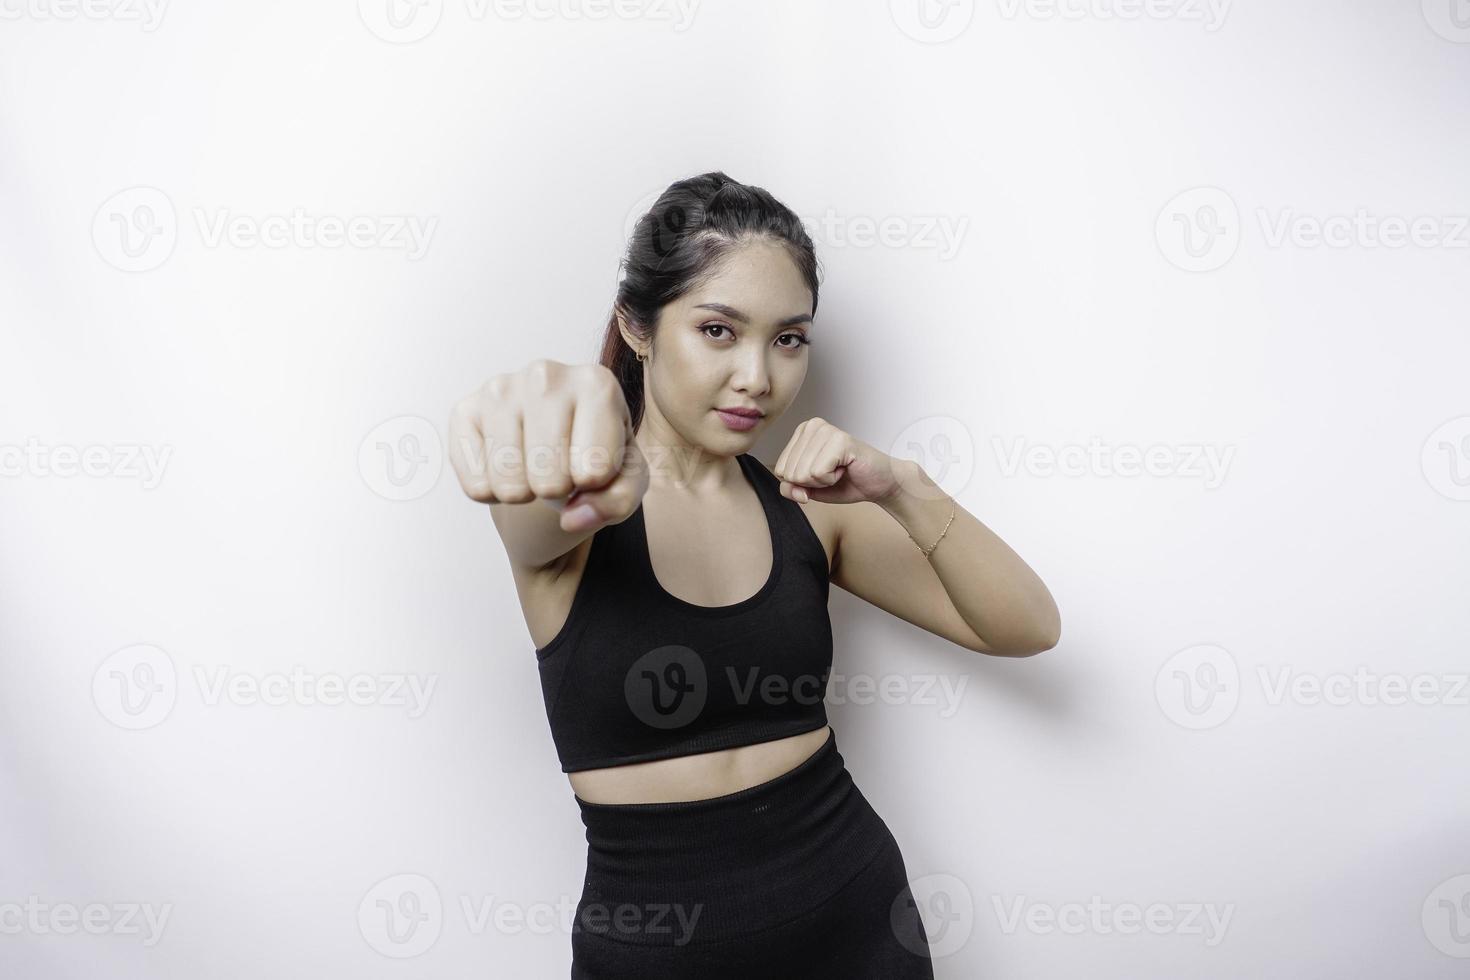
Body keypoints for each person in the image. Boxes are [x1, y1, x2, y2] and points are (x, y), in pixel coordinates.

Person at [449, 171, 1061, 977]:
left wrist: (903, 487)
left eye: (788, 338)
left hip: (856, 920)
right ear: (638, 327)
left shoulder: (813, 510)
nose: (758, 378)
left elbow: (1025, 627)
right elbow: (533, 503)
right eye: (717, 330)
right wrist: (560, 426)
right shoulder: (575, 507)